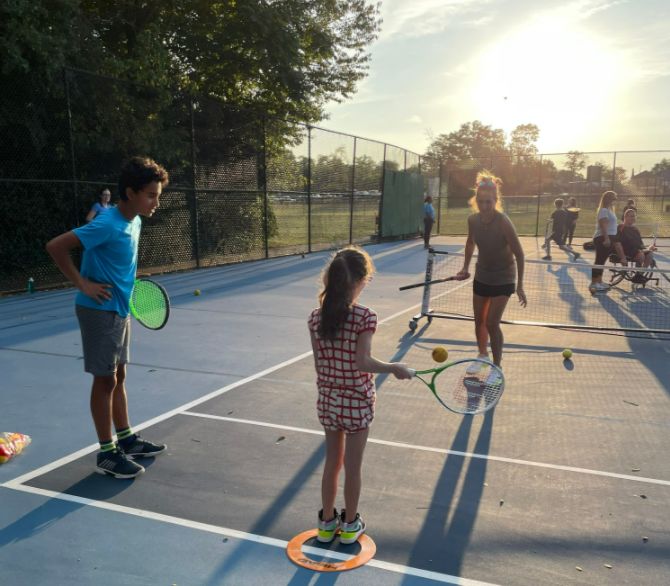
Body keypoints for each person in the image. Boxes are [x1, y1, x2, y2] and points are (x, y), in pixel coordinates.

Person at [46, 157, 169, 479]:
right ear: (130, 192)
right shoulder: (106, 223)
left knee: (119, 377)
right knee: (105, 380)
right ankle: (107, 452)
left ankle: (126, 439)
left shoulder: (135, 221)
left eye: (158, 194)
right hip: (98, 312)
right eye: (151, 195)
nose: (157, 201)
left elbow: (117, 261)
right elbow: (56, 246)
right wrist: (82, 283)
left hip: (120, 308)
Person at [308, 246, 411, 544]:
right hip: (356, 402)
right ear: (361, 280)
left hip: (328, 400)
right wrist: (393, 367)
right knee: (353, 467)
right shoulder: (365, 317)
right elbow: (362, 362)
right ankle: (350, 524)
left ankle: (327, 524)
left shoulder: (315, 318)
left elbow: (318, 364)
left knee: (332, 463)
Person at [455, 171, 527, 372]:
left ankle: (497, 367)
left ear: (496, 201)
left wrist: (520, 286)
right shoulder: (473, 220)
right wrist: (465, 267)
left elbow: (519, 254)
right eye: (481, 202)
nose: (485, 206)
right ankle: (482, 355)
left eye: (489, 202)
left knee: (492, 323)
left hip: (504, 278)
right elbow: (470, 242)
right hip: (482, 276)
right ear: (475, 201)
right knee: (479, 321)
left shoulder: (503, 222)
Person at [589, 190, 625, 294]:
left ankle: (599, 282)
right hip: (603, 238)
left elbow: (611, 225)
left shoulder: (609, 210)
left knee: (602, 261)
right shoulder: (604, 210)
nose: (615, 200)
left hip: (610, 237)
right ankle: (594, 283)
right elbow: (603, 225)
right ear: (609, 199)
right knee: (599, 261)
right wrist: (606, 238)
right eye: (614, 198)